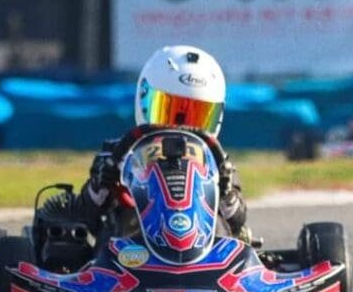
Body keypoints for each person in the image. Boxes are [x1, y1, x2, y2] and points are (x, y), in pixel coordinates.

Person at [78, 45, 249, 240]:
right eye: (169, 112)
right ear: (144, 99)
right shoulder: (116, 154)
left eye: (195, 115)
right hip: (130, 251)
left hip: (203, 248)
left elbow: (237, 219)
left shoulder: (216, 163)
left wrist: (226, 194)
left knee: (237, 235)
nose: (180, 128)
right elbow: (87, 215)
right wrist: (102, 184)